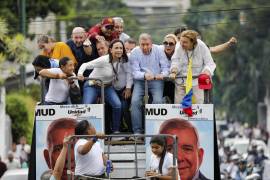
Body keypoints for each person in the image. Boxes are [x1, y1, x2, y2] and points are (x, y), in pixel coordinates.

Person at [78, 40, 127, 134]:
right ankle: (84, 133)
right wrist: (80, 74)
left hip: (107, 87)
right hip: (92, 85)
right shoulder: (104, 59)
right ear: (110, 50)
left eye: (121, 48)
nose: (119, 50)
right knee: (86, 106)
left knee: (117, 105)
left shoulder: (122, 59)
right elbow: (85, 65)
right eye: (116, 48)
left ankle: (116, 131)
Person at [130, 33, 169, 134]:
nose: (145, 47)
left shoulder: (159, 50)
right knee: (134, 102)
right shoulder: (135, 52)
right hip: (140, 81)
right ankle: (137, 131)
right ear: (139, 44)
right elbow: (134, 72)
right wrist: (144, 75)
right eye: (142, 44)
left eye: (147, 44)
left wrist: (161, 75)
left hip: (156, 80)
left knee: (157, 102)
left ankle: (154, 130)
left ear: (151, 43)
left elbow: (166, 67)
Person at [169, 30, 216, 104]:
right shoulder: (179, 46)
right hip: (181, 79)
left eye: (185, 42)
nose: (182, 44)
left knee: (198, 104)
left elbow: (210, 63)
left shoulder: (201, 46)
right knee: (178, 105)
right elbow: (175, 61)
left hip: (196, 80)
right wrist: (174, 71)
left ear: (192, 42)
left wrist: (206, 71)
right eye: (181, 41)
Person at [160, 34, 178, 103]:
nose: (168, 45)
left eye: (171, 44)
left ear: (175, 45)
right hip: (162, 82)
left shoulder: (179, 53)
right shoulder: (159, 51)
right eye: (165, 43)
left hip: (175, 83)